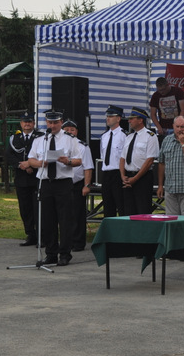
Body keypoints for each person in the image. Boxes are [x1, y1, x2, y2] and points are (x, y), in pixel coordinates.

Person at [27, 109, 83, 266]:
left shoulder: (70, 139)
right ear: (46, 123)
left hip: (62, 183)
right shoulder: (40, 139)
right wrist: (39, 163)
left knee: (65, 220)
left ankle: (65, 253)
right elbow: (31, 159)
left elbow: (78, 160)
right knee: (47, 220)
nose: (52, 126)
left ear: (61, 122)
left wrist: (68, 161)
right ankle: (51, 253)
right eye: (50, 122)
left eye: (56, 123)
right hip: (45, 182)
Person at [5, 111, 43, 246]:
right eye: (25, 122)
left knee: (38, 208)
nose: (27, 124)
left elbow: (43, 154)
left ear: (34, 123)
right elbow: (9, 155)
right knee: (25, 209)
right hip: (21, 179)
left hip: (36, 178)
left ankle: (41, 236)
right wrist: (21, 165)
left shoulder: (40, 137)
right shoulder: (15, 138)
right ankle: (30, 234)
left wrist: (30, 164)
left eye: (29, 122)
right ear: (21, 124)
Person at [157, 116, 184, 216]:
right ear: (173, 126)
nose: (179, 129)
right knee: (172, 221)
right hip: (170, 189)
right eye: (177, 126)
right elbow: (161, 163)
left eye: (182, 127)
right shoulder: (166, 140)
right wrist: (160, 185)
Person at [62, 119, 94, 252]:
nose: (69, 132)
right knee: (64, 215)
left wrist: (86, 185)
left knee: (77, 215)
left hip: (77, 184)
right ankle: (66, 241)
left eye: (72, 130)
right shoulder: (58, 145)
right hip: (62, 184)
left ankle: (78, 242)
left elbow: (88, 167)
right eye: (66, 130)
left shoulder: (82, 146)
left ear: (77, 132)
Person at [120, 107, 160, 215]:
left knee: (142, 210)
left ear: (140, 120)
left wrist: (135, 178)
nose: (129, 121)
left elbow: (150, 160)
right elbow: (122, 158)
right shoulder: (129, 137)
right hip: (128, 176)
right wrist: (123, 176)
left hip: (142, 177)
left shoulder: (150, 136)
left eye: (132, 118)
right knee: (128, 211)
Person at [100, 105, 127, 218]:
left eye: (111, 116)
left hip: (118, 173)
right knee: (107, 205)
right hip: (106, 173)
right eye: (107, 116)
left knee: (121, 205)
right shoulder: (104, 136)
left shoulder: (124, 136)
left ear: (118, 118)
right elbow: (103, 155)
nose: (108, 118)